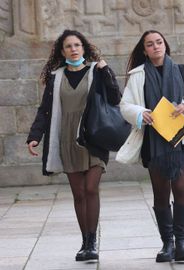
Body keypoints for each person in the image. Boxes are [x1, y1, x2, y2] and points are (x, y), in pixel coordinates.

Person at [26, 30, 121, 261]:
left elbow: (115, 97)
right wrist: (34, 136)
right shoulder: (55, 77)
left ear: (84, 48)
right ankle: (86, 243)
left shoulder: (96, 71)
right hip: (67, 139)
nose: (73, 49)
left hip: (93, 138)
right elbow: (45, 109)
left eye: (77, 45)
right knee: (78, 194)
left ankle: (93, 241)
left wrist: (107, 71)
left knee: (90, 189)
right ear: (62, 51)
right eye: (68, 46)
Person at [116, 30, 184, 262]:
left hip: (182, 140)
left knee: (180, 187)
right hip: (153, 141)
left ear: (165, 45)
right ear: (145, 50)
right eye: (150, 44)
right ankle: (167, 243)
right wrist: (141, 113)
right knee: (160, 192)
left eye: (159, 42)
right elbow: (125, 105)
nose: (156, 47)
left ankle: (181, 242)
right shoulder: (138, 75)